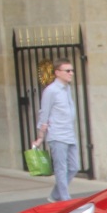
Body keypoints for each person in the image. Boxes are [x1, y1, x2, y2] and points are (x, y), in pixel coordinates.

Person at [31, 58, 79, 201]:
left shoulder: (67, 88)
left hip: (69, 133)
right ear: (57, 72)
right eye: (68, 71)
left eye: (72, 70)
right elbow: (44, 113)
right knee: (61, 168)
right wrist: (40, 136)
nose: (71, 73)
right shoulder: (51, 90)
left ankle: (55, 195)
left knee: (74, 167)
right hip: (57, 135)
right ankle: (64, 199)